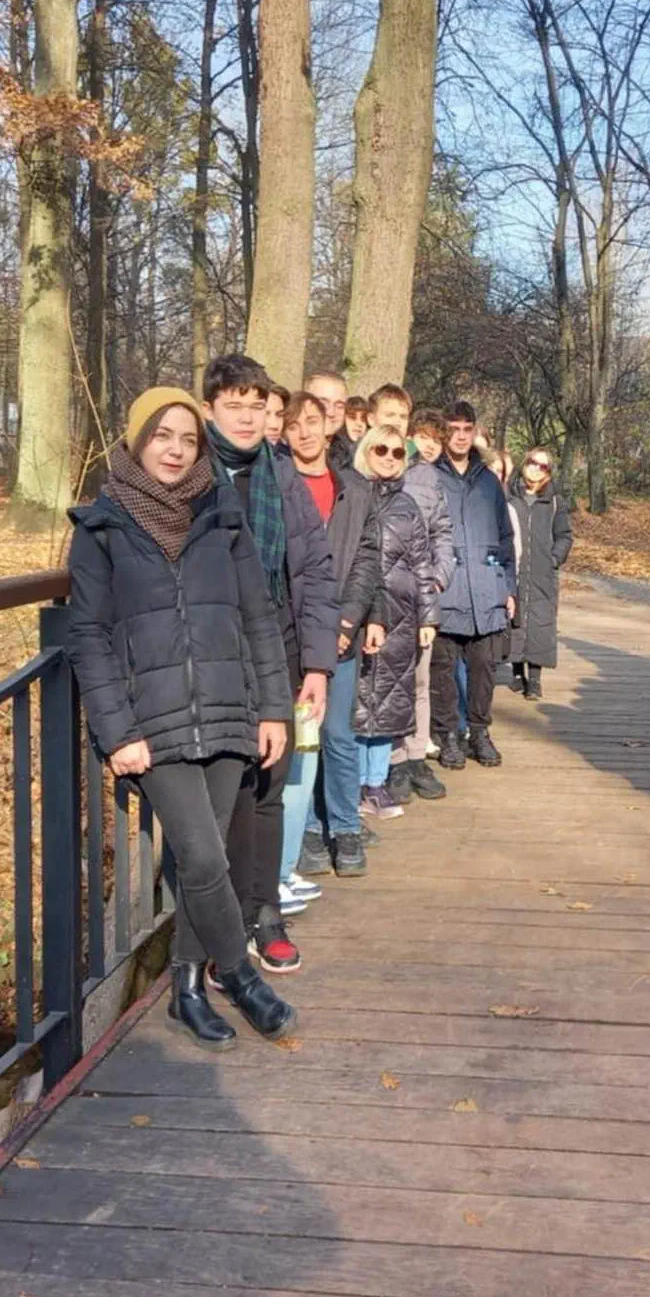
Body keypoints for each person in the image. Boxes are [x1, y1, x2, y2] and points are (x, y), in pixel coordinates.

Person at [66, 387, 296, 1048]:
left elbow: (259, 614)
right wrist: (117, 732)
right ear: (138, 443)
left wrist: (272, 708)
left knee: (213, 857)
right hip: (152, 721)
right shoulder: (102, 526)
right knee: (198, 853)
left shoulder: (222, 515)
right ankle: (242, 976)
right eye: (162, 436)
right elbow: (88, 637)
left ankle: (188, 989)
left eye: (188, 439)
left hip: (228, 708)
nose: (174, 449)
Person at [201, 353, 338, 976]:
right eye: (236, 405)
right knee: (223, 791)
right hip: (210, 658)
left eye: (259, 406)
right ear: (210, 408)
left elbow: (313, 571)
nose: (250, 417)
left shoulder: (280, 475)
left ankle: (265, 913)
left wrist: (316, 665)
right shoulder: (189, 471)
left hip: (278, 651)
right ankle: (218, 925)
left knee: (270, 788)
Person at [285, 390, 385, 877]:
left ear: (330, 425)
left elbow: (367, 560)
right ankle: (305, 830)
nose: (304, 432)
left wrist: (348, 621)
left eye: (312, 421)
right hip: (293, 637)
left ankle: (345, 827)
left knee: (339, 735)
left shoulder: (354, 490)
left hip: (341, 634)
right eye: (293, 425)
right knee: (302, 740)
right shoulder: (277, 486)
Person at [350, 424, 438, 817]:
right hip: (359, 611)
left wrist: (428, 616)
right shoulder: (351, 495)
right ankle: (350, 783)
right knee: (356, 703)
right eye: (380, 449)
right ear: (365, 451)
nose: (388, 457)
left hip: (402, 616)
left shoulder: (408, 506)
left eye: (397, 452)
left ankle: (375, 781)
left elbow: (423, 563)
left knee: (387, 704)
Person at [432, 400, 516, 769]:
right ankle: (449, 735)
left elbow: (505, 536)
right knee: (444, 668)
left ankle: (479, 733)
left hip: (486, 590)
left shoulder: (488, 479)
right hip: (447, 588)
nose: (461, 436)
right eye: (454, 429)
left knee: (484, 668)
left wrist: (507, 586)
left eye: (467, 429)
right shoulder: (431, 475)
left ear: (475, 431)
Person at [379, 397, 455, 802]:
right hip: (386, 594)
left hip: (423, 594)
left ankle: (415, 755)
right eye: (421, 437)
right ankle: (390, 762)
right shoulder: (382, 463)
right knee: (388, 681)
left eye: (433, 440)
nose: (427, 446)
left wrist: (440, 577)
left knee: (420, 679)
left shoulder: (431, 480)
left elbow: (444, 532)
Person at [506, 446, 573, 701]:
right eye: (533, 462)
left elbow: (564, 535)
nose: (537, 468)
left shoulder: (555, 502)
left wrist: (554, 559)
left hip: (543, 573)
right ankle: (515, 672)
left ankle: (534, 680)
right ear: (525, 463)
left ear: (548, 472)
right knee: (515, 618)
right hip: (516, 568)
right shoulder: (509, 496)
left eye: (543, 466)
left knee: (540, 622)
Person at [306, 371, 354, 470]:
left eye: (339, 406)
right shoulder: (281, 457)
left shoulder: (351, 458)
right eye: (323, 403)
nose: (331, 412)